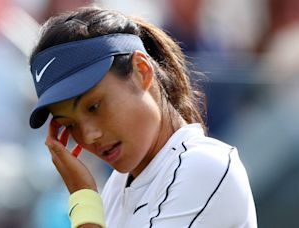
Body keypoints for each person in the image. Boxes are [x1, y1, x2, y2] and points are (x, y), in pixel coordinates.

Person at [27, 6, 257, 228]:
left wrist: (83, 198)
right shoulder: (117, 187)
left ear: (141, 71)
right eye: (70, 124)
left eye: (94, 106)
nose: (89, 135)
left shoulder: (205, 166)